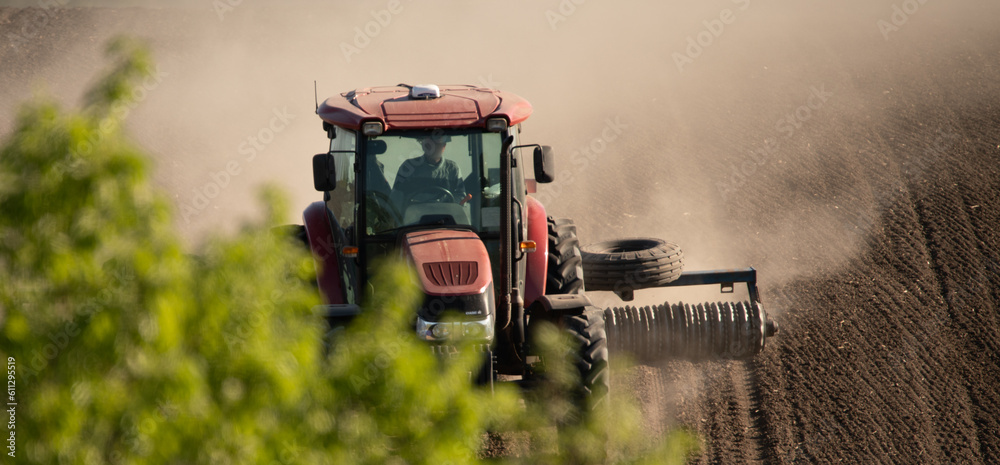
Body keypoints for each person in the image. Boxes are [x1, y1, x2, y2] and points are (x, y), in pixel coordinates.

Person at [391, 134, 467, 206]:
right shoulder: (408, 167)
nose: (433, 148)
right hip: (414, 218)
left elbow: (461, 198)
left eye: (437, 145)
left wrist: (444, 206)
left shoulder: (453, 169)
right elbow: (396, 199)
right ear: (423, 146)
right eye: (429, 145)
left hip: (445, 218)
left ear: (444, 146)